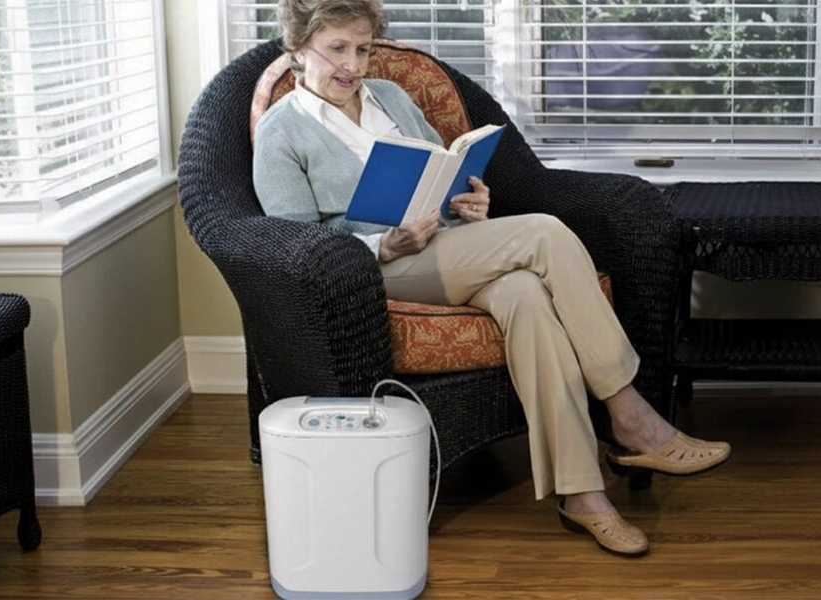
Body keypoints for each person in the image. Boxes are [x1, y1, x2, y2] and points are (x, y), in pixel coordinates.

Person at [252, 0, 731, 557]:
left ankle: (583, 496)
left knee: (526, 295)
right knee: (543, 234)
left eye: (362, 49)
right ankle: (629, 412)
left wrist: (468, 203)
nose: (353, 65)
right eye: (337, 49)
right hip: (371, 270)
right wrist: (385, 243)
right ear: (298, 49)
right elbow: (294, 247)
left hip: (446, 249)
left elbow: (439, 174)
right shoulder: (282, 132)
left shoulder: (392, 98)